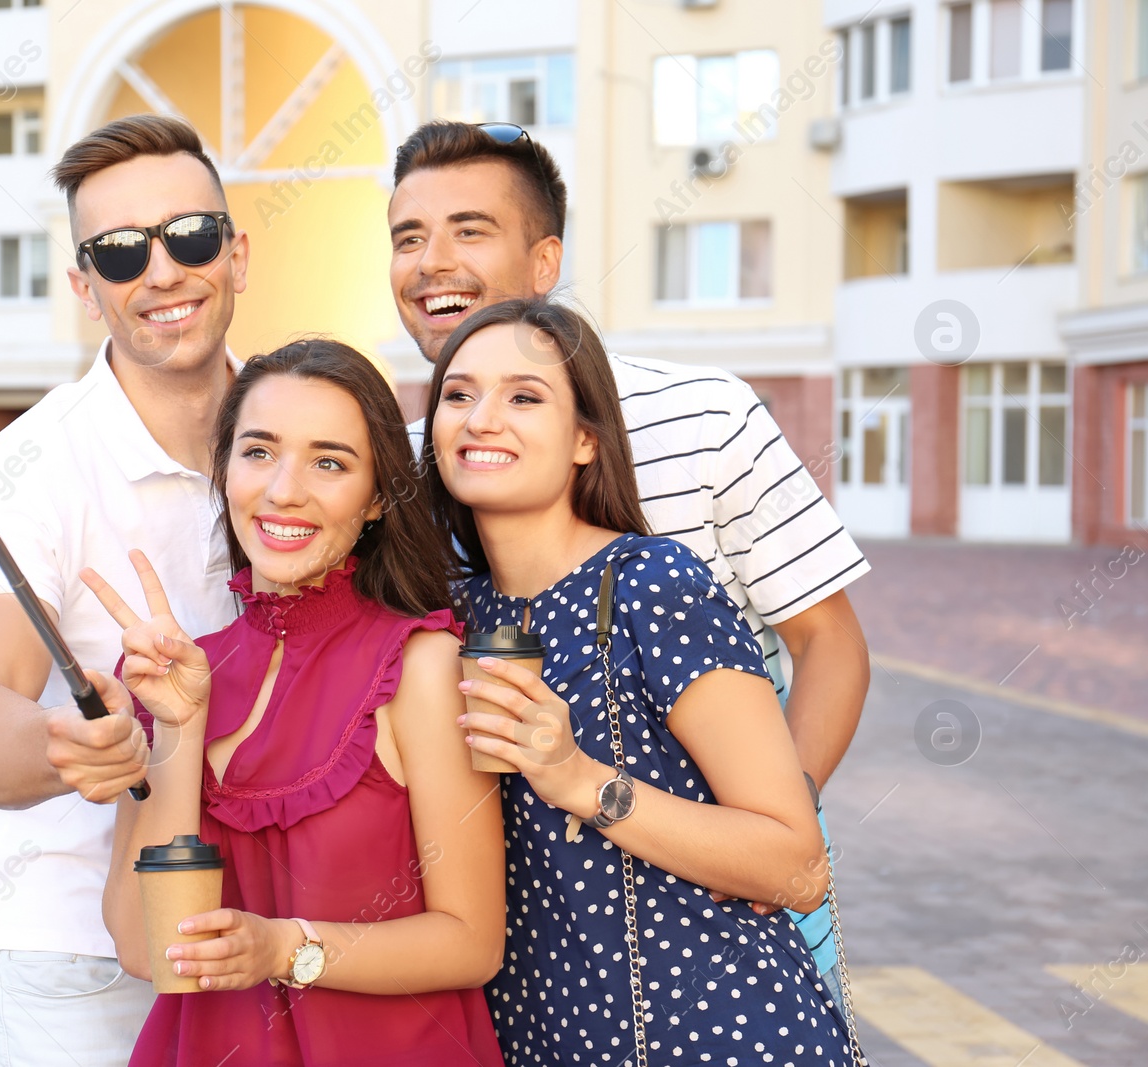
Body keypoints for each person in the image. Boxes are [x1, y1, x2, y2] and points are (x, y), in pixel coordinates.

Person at [387, 119, 870, 1006]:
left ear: (544, 263)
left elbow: (830, 642)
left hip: (722, 942)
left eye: (469, 229)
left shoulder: (707, 412)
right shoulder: (419, 468)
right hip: (543, 956)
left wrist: (756, 834)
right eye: (408, 237)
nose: (430, 262)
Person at [429, 297, 858, 1065]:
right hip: (550, 1034)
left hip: (718, 1031)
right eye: (458, 394)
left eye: (524, 396)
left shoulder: (651, 584)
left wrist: (581, 778)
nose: (481, 417)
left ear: (586, 440)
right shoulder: (456, 612)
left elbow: (794, 862)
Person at [86, 340, 506, 1066]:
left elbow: (471, 941)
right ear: (225, 473)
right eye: (258, 452)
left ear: (378, 497)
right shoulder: (176, 672)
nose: (283, 490)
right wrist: (178, 727)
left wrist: (286, 947)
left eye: (329, 461)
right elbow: (143, 946)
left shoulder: (420, 665)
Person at [0, 115, 249, 1067]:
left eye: (189, 236)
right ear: (83, 286)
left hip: (252, 932)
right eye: (119, 252)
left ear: (237, 254)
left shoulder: (294, 430)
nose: (160, 272)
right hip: (71, 968)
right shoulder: (29, 466)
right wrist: (66, 743)